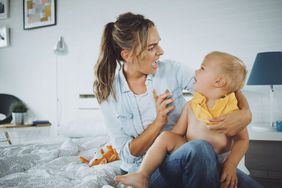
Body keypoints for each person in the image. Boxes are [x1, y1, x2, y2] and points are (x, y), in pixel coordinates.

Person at [94, 12, 255, 188]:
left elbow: (221, 86)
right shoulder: (109, 93)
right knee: (200, 147)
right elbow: (127, 155)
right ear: (128, 55)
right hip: (149, 170)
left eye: (159, 44)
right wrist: (158, 122)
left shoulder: (173, 70)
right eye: (151, 47)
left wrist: (246, 113)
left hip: (192, 159)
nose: (161, 51)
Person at [114, 51, 261, 188]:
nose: (195, 72)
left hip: (220, 164)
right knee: (166, 136)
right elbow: (176, 134)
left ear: (219, 82)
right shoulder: (191, 106)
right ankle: (143, 174)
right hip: (192, 156)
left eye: (202, 68)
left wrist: (231, 165)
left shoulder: (232, 111)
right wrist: (160, 120)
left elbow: (242, 140)